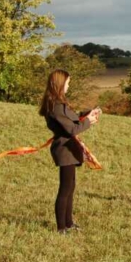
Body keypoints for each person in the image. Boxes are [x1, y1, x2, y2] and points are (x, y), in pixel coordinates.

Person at [39, 69, 101, 234]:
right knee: (65, 189)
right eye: (67, 83)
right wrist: (88, 122)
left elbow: (73, 118)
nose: (68, 86)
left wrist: (87, 114)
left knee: (71, 187)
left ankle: (69, 223)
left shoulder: (60, 104)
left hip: (70, 149)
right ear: (60, 84)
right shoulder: (56, 107)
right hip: (64, 149)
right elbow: (71, 129)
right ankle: (61, 228)